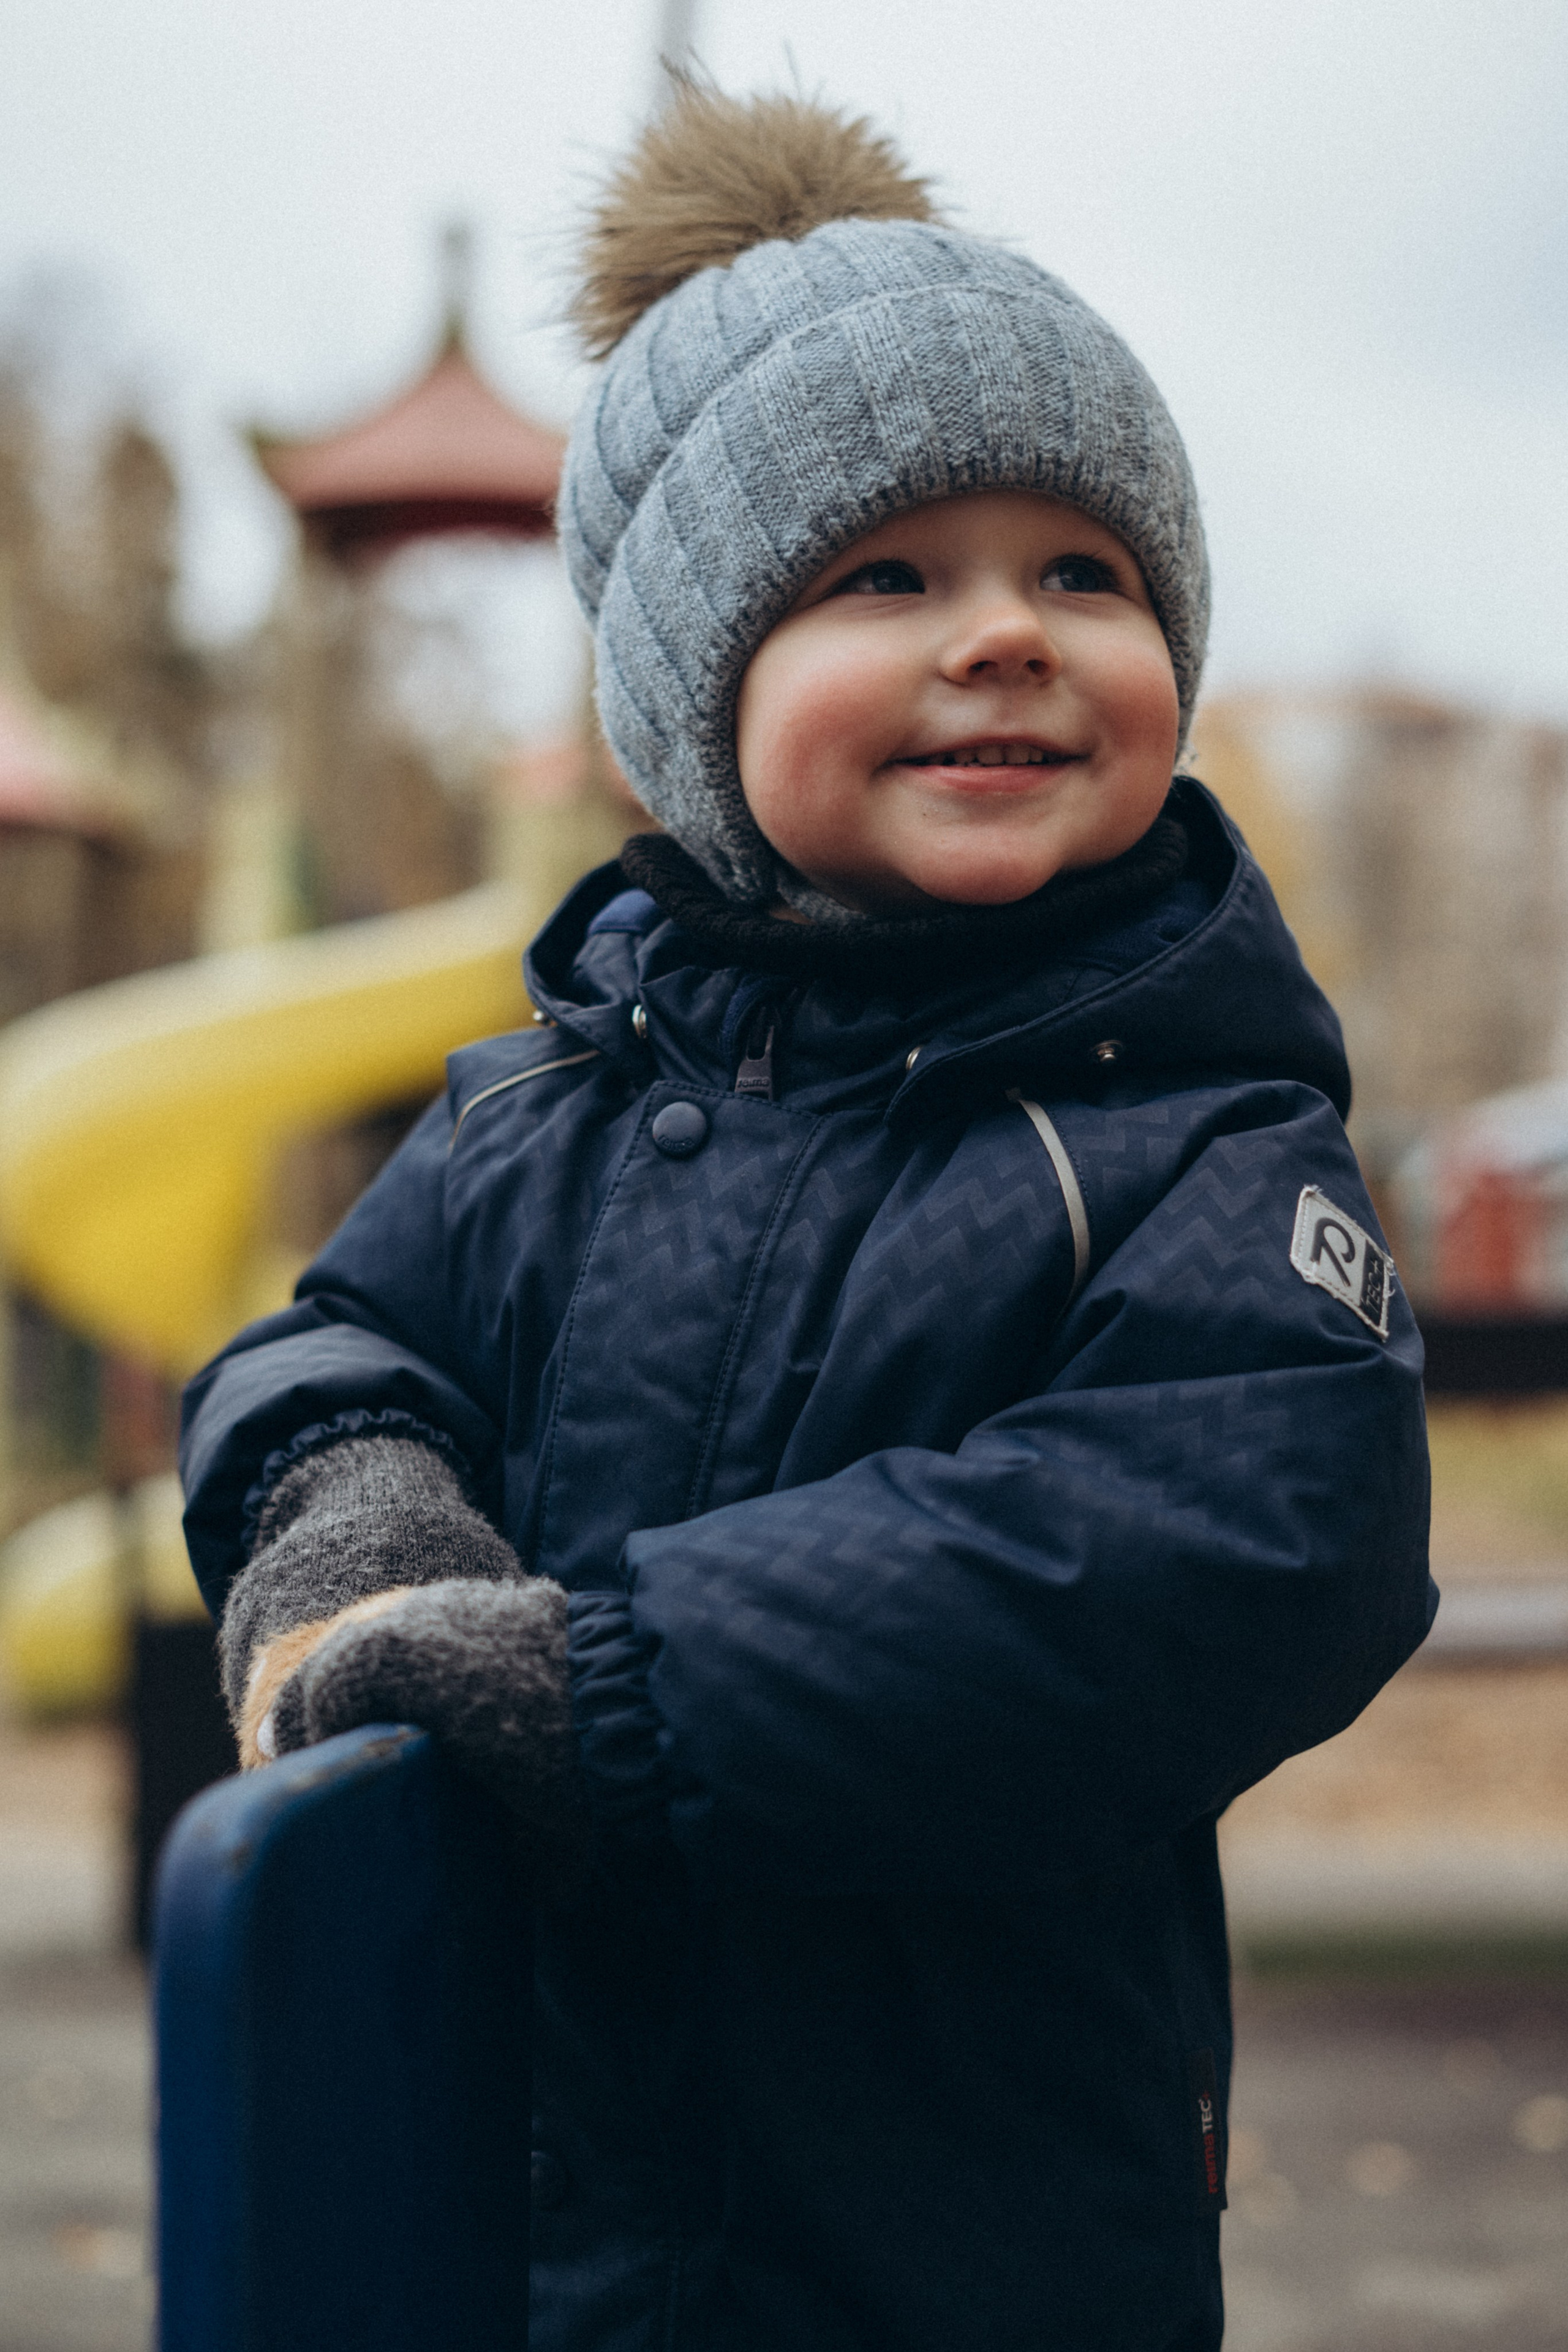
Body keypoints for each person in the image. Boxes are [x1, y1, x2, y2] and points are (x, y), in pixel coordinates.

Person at [179, 85, 1434, 2352]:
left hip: (966, 2240)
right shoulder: (549, 1102)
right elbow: (328, 1344)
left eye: (1087, 572)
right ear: (691, 694)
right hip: (541, 2214)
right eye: (886, 576)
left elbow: (1246, 1533)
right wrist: (351, 1506)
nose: (1008, 634)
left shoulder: (1192, 1126)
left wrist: (610, 1695)